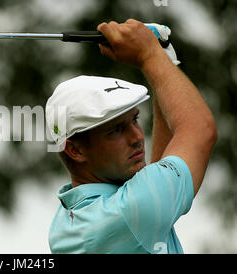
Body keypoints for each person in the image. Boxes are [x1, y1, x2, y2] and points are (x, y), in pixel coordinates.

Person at [45, 19, 217, 254]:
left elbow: (159, 173)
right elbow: (200, 130)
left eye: (134, 120)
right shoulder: (125, 214)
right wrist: (149, 56)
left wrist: (161, 59)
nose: (136, 137)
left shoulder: (74, 217)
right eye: (115, 130)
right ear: (75, 150)